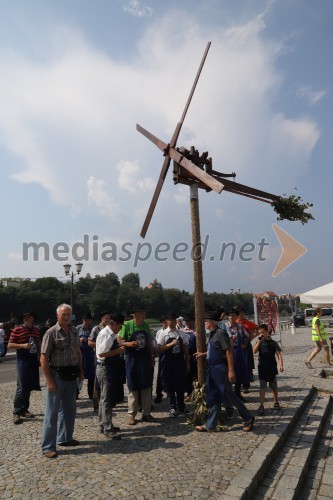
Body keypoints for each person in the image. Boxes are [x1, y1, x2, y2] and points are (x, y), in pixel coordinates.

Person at [195, 311, 254, 433]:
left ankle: (248, 417)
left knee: (228, 395)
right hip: (213, 369)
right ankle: (210, 424)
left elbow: (228, 351)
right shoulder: (213, 333)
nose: (204, 323)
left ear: (211, 322)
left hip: (221, 369)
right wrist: (204, 354)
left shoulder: (221, 333)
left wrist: (231, 371)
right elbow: (216, 350)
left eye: (206, 321)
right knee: (214, 395)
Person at [40, 303, 84, 459]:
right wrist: (49, 381)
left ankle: (65, 438)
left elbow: (78, 351)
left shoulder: (73, 330)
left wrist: (80, 370)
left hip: (71, 375)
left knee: (69, 410)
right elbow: (43, 358)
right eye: (63, 314)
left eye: (69, 314)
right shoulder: (50, 333)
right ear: (57, 315)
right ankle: (47, 447)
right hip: (57, 376)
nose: (66, 317)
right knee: (52, 413)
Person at [119, 304, 155, 425]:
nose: (144, 315)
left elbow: (149, 341)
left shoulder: (145, 325)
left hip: (144, 358)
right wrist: (128, 344)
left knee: (146, 386)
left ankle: (146, 413)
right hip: (132, 359)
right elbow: (119, 340)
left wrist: (152, 356)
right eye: (142, 313)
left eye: (144, 313)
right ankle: (132, 415)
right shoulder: (127, 325)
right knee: (133, 386)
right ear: (135, 314)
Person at [95, 313, 126, 438]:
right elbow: (102, 353)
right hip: (105, 368)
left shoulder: (110, 333)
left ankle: (104, 424)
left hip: (107, 367)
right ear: (114, 324)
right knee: (106, 399)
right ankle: (107, 428)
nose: (120, 328)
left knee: (104, 398)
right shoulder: (106, 334)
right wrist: (118, 350)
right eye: (120, 325)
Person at [8, 312, 41, 424]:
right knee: (22, 386)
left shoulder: (36, 330)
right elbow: (10, 345)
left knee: (29, 385)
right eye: (25, 317)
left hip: (33, 358)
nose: (26, 318)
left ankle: (24, 409)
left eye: (29, 316)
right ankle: (16, 412)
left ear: (33, 318)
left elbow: (38, 344)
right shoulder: (17, 329)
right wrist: (22, 345)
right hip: (23, 359)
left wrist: (40, 356)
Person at [156, 312, 191, 417]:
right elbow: (158, 348)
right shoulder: (162, 333)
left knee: (180, 384)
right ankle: (172, 407)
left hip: (179, 361)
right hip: (168, 362)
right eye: (170, 319)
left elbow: (185, 348)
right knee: (170, 385)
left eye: (174, 319)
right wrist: (170, 344)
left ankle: (182, 407)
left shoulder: (181, 333)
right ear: (167, 321)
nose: (173, 321)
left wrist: (188, 362)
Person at [253, 324, 284, 414]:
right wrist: (259, 341)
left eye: (263, 332)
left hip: (271, 367)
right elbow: (254, 351)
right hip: (262, 367)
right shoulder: (259, 342)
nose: (261, 335)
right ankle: (261, 405)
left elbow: (279, 354)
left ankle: (276, 402)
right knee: (262, 386)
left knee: (273, 386)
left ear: (267, 332)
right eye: (260, 333)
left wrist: (281, 365)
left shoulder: (273, 343)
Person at [223, 310, 249, 401]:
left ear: (236, 317)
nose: (231, 317)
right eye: (229, 316)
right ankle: (228, 395)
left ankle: (238, 393)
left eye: (233, 316)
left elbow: (247, 335)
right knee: (228, 373)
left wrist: (244, 344)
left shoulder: (240, 326)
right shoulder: (224, 326)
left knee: (239, 373)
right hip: (228, 351)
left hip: (238, 352)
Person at [88, 311, 112, 412]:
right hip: (99, 357)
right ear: (101, 319)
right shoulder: (96, 329)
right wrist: (100, 346)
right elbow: (90, 342)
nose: (108, 320)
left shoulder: (111, 329)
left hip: (110, 358)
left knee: (107, 381)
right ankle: (96, 404)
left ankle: (106, 403)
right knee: (97, 382)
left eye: (109, 318)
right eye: (106, 318)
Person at [76, 312, 96, 399]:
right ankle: (75, 393)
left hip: (90, 354)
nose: (85, 321)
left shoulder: (94, 328)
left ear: (90, 320)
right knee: (77, 374)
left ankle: (91, 394)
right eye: (84, 320)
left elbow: (97, 339)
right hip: (80, 353)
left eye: (87, 320)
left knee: (91, 375)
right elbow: (73, 339)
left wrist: (88, 339)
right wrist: (79, 339)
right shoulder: (78, 328)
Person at [183, 311, 197, 400]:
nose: (188, 323)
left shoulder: (197, 330)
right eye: (186, 321)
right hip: (184, 356)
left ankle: (196, 393)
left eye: (190, 321)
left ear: (193, 321)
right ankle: (188, 393)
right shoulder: (182, 331)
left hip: (194, 355)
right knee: (186, 374)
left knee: (195, 374)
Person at [154, 316, 167, 404]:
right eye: (163, 322)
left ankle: (170, 393)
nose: (164, 323)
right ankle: (159, 394)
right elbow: (156, 344)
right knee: (160, 374)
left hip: (170, 355)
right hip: (162, 354)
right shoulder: (159, 332)